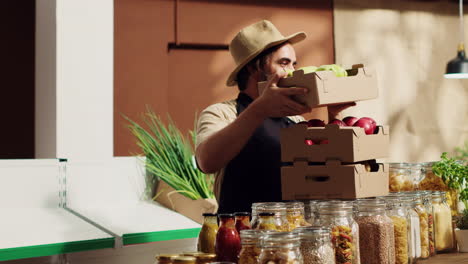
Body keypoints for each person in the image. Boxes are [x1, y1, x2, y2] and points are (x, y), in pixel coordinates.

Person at [195, 20, 354, 213]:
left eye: (294, 64)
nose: (293, 72)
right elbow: (206, 161)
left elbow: (326, 170)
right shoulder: (221, 113)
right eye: (284, 63)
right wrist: (259, 109)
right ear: (254, 68)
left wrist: (334, 115)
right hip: (245, 235)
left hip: (293, 232)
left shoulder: (295, 120)